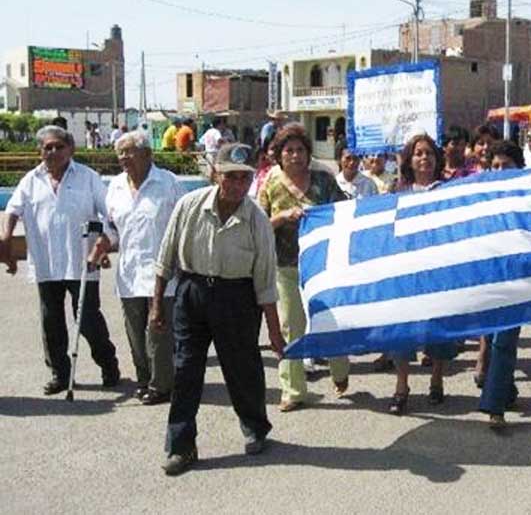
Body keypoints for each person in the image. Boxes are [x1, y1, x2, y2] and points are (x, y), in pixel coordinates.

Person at [153, 142, 285, 476]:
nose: (238, 185)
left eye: (244, 178)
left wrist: (273, 330)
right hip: (192, 292)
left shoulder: (256, 218)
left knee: (244, 368)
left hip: (237, 299)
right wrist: (157, 305)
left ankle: (255, 427)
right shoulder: (189, 205)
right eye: (231, 177)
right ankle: (181, 446)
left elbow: (265, 280)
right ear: (216, 174)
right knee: (185, 371)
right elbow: (165, 260)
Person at [0, 125, 120, 395]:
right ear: (40, 151)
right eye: (47, 147)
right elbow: (13, 210)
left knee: (89, 320)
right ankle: (60, 374)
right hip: (47, 262)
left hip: (82, 261)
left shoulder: (88, 177)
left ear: (70, 150)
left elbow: (108, 216)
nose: (53, 151)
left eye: (59, 146)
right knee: (51, 323)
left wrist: (102, 247)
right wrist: (5, 238)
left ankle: (108, 365)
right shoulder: (31, 180)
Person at [259, 123, 352, 412]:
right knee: (291, 328)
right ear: (279, 155)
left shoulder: (323, 181)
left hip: (322, 267)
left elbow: (343, 212)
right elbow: (259, 226)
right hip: (286, 266)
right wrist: (282, 217)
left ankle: (340, 372)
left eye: (300, 150)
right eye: (289, 151)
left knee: (330, 321)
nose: (296, 156)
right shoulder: (270, 185)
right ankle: (293, 390)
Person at [93, 132, 185, 405]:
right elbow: (112, 228)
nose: (123, 158)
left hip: (163, 272)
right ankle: (144, 379)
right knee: (135, 333)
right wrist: (103, 244)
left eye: (129, 152)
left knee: (158, 331)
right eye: (120, 153)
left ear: (147, 154)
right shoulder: (116, 186)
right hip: (130, 272)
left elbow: (183, 224)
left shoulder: (168, 183)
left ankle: (162, 384)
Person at [386, 134, 457, 414]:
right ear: (409, 159)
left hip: (439, 271)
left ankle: (437, 380)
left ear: (437, 158)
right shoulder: (397, 191)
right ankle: (401, 386)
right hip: (406, 271)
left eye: (429, 153)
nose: (424, 157)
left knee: (439, 329)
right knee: (401, 330)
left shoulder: (449, 190)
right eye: (418, 153)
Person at [477, 140, 527, 428]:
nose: (498, 170)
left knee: (504, 340)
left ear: (519, 168)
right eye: (494, 165)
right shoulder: (482, 196)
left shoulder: (527, 195)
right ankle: (507, 392)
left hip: (517, 277)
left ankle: (493, 405)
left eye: (505, 166)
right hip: (488, 276)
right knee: (496, 339)